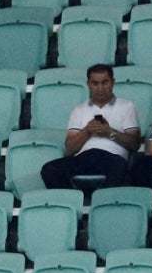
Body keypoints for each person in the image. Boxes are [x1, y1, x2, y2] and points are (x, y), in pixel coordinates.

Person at [40, 63, 140, 192]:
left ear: (113, 82)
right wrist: (87, 131)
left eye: (105, 83)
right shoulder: (79, 109)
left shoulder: (127, 106)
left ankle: (104, 204)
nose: (100, 88)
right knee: (50, 169)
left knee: (121, 168)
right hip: (85, 157)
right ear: (88, 84)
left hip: (113, 158)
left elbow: (134, 144)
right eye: (95, 83)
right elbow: (69, 149)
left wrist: (109, 132)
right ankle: (73, 200)